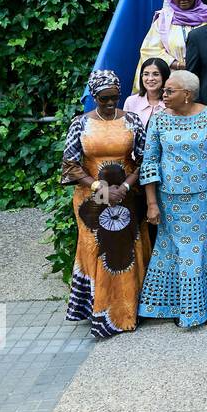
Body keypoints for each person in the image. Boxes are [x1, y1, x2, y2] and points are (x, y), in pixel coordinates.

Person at [138, 69, 207, 328]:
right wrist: (151, 202)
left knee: (202, 248)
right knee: (173, 249)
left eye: (169, 91)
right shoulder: (159, 120)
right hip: (169, 198)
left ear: (187, 94)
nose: (164, 94)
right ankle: (178, 304)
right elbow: (149, 162)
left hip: (204, 197)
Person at [61, 71, 150, 338]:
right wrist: (99, 187)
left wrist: (124, 187)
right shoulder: (80, 124)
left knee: (125, 251)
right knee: (97, 247)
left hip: (125, 192)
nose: (111, 103)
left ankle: (126, 311)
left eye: (114, 98)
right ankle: (101, 310)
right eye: (104, 99)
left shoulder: (132, 121)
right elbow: (70, 165)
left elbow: (145, 159)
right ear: (94, 97)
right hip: (94, 194)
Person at [136, 0, 207, 84]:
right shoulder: (163, 19)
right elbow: (150, 50)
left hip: (204, 78)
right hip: (171, 80)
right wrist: (177, 64)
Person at [125, 57, 169, 127]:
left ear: (165, 77)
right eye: (146, 74)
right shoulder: (131, 101)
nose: (150, 78)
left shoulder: (172, 103)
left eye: (156, 74)